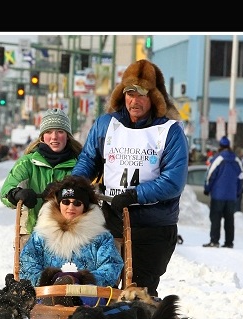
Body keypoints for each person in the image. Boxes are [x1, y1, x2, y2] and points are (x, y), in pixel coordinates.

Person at [71, 59, 188, 297]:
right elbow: (88, 160)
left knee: (140, 292)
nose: (134, 100)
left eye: (141, 94)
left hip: (153, 226)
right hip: (111, 218)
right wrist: (75, 185)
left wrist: (135, 194)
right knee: (103, 287)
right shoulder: (107, 124)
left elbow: (173, 182)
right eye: (129, 93)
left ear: (154, 97)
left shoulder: (170, 131)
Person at [19, 175, 123, 306]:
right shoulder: (41, 234)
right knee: (44, 297)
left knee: (88, 299)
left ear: (85, 207)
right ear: (59, 203)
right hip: (48, 291)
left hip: (88, 296)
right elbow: (28, 263)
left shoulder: (100, 236)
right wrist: (50, 279)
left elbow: (112, 266)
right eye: (66, 202)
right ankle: (57, 296)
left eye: (77, 203)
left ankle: (68, 298)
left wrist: (81, 280)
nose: (71, 207)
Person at [1, 108, 83, 251]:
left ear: (68, 136)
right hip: (33, 232)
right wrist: (17, 194)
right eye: (49, 132)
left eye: (60, 132)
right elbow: (5, 193)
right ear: (42, 136)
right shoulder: (27, 163)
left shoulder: (79, 164)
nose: (54, 137)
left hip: (71, 235)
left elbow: (91, 193)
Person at [202, 136, 243, 248]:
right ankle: (229, 242)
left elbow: (210, 175)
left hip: (218, 194)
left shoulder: (217, 158)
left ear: (220, 146)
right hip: (231, 196)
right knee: (229, 219)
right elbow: (241, 177)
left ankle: (214, 241)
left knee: (216, 218)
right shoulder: (236, 160)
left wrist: (207, 188)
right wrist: (238, 192)